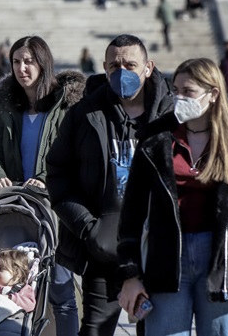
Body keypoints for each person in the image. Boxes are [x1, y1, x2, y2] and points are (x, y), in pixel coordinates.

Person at [116, 58, 228, 336]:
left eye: (188, 92)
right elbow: (132, 213)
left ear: (213, 94)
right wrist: (130, 274)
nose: (179, 98)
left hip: (219, 260)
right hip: (166, 260)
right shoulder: (154, 140)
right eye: (175, 90)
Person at [47, 34, 174, 336]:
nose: (122, 72)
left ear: (148, 67)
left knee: (157, 330)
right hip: (103, 250)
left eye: (130, 64)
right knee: (95, 330)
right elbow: (57, 173)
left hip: (154, 249)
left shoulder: (171, 116)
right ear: (104, 68)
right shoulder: (84, 114)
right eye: (115, 65)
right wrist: (87, 227)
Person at [0, 36, 85, 336]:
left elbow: (74, 156)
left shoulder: (65, 106)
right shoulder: (6, 105)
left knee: (62, 292)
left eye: (29, 61)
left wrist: (44, 178)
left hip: (55, 210)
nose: (21, 68)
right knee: (13, 289)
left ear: (43, 63)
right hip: (15, 207)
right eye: (16, 61)